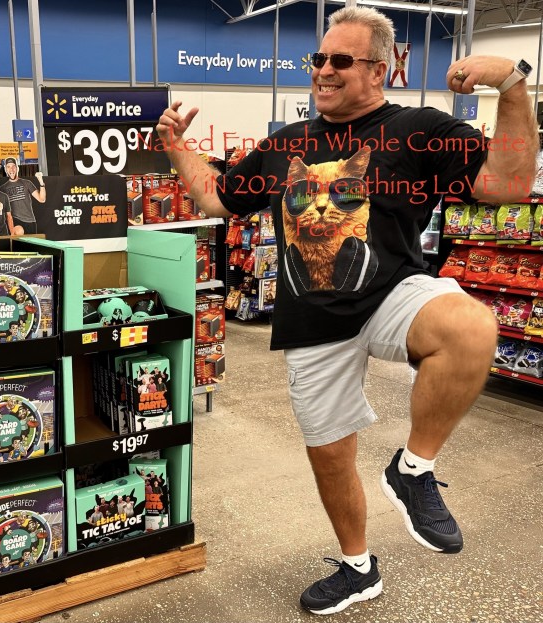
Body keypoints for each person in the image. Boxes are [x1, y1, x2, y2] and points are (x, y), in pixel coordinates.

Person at [156, 6, 537, 617]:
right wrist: (176, 148)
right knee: (331, 459)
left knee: (470, 326)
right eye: (318, 58)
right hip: (312, 321)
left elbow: (508, 187)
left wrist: (513, 85)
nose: (324, 70)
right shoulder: (286, 145)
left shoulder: (419, 128)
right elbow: (218, 199)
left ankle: (414, 469)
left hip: (391, 295)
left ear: (379, 69)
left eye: (341, 60)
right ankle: (358, 568)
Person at [0, 157, 46, 234]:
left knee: (31, 241)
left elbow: (42, 199)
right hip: (15, 221)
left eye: (13, 166)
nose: (11, 169)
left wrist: (41, 182)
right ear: (5, 170)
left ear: (17, 168)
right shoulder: (3, 188)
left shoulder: (27, 183)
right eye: (8, 167)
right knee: (18, 232)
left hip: (30, 221)